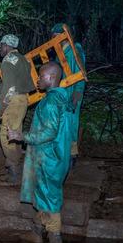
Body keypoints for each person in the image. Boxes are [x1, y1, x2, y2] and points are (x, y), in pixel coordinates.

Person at [9, 62, 73, 243]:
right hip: (58, 155)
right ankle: (37, 232)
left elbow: (49, 132)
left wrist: (23, 137)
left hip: (48, 157)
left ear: (51, 78)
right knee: (43, 193)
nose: (38, 79)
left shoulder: (51, 102)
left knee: (49, 198)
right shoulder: (63, 98)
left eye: (41, 76)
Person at [0, 34, 33, 185]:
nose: (0, 49)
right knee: (16, 132)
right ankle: (14, 169)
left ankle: (13, 171)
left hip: (14, 101)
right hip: (23, 100)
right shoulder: (23, 59)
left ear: (7, 46)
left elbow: (9, 88)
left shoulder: (8, 61)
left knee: (7, 134)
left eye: (1, 46)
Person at [51, 23, 86, 161]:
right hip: (60, 93)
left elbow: (80, 72)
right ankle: (61, 153)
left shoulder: (75, 49)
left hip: (72, 93)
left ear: (63, 36)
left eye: (55, 36)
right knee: (60, 123)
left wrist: (77, 93)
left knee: (71, 122)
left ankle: (72, 156)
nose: (52, 39)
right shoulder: (59, 52)